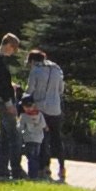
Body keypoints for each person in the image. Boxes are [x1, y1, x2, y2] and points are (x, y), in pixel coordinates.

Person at [0, 33, 26, 180]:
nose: (13, 52)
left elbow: (0, 82)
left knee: (3, 136)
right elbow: (1, 85)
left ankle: (2, 169)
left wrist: (11, 86)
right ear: (8, 45)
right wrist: (10, 104)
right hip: (3, 101)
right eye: (13, 49)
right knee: (15, 135)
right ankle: (16, 169)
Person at [26, 44, 67, 182]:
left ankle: (45, 167)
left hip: (41, 109)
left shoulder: (35, 71)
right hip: (56, 109)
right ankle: (62, 167)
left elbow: (30, 90)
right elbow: (61, 89)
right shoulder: (56, 68)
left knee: (43, 138)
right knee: (57, 139)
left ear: (32, 61)